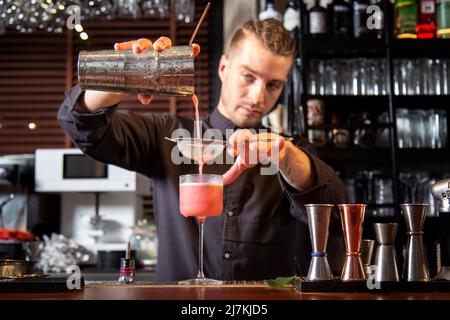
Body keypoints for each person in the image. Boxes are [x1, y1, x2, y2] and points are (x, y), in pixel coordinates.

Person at [58, 18, 347, 282]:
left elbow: (335, 211)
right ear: (223, 68)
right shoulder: (167, 134)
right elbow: (78, 122)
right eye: (248, 76)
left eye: (273, 85)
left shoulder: (288, 154)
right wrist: (129, 73)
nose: (259, 96)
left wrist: (286, 156)